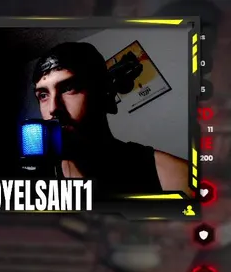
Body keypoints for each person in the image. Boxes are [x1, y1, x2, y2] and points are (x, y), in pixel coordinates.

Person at [31, 41, 187, 193]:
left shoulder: (172, 177)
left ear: (103, 93)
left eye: (69, 88)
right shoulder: (36, 181)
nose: (53, 108)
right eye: (43, 95)